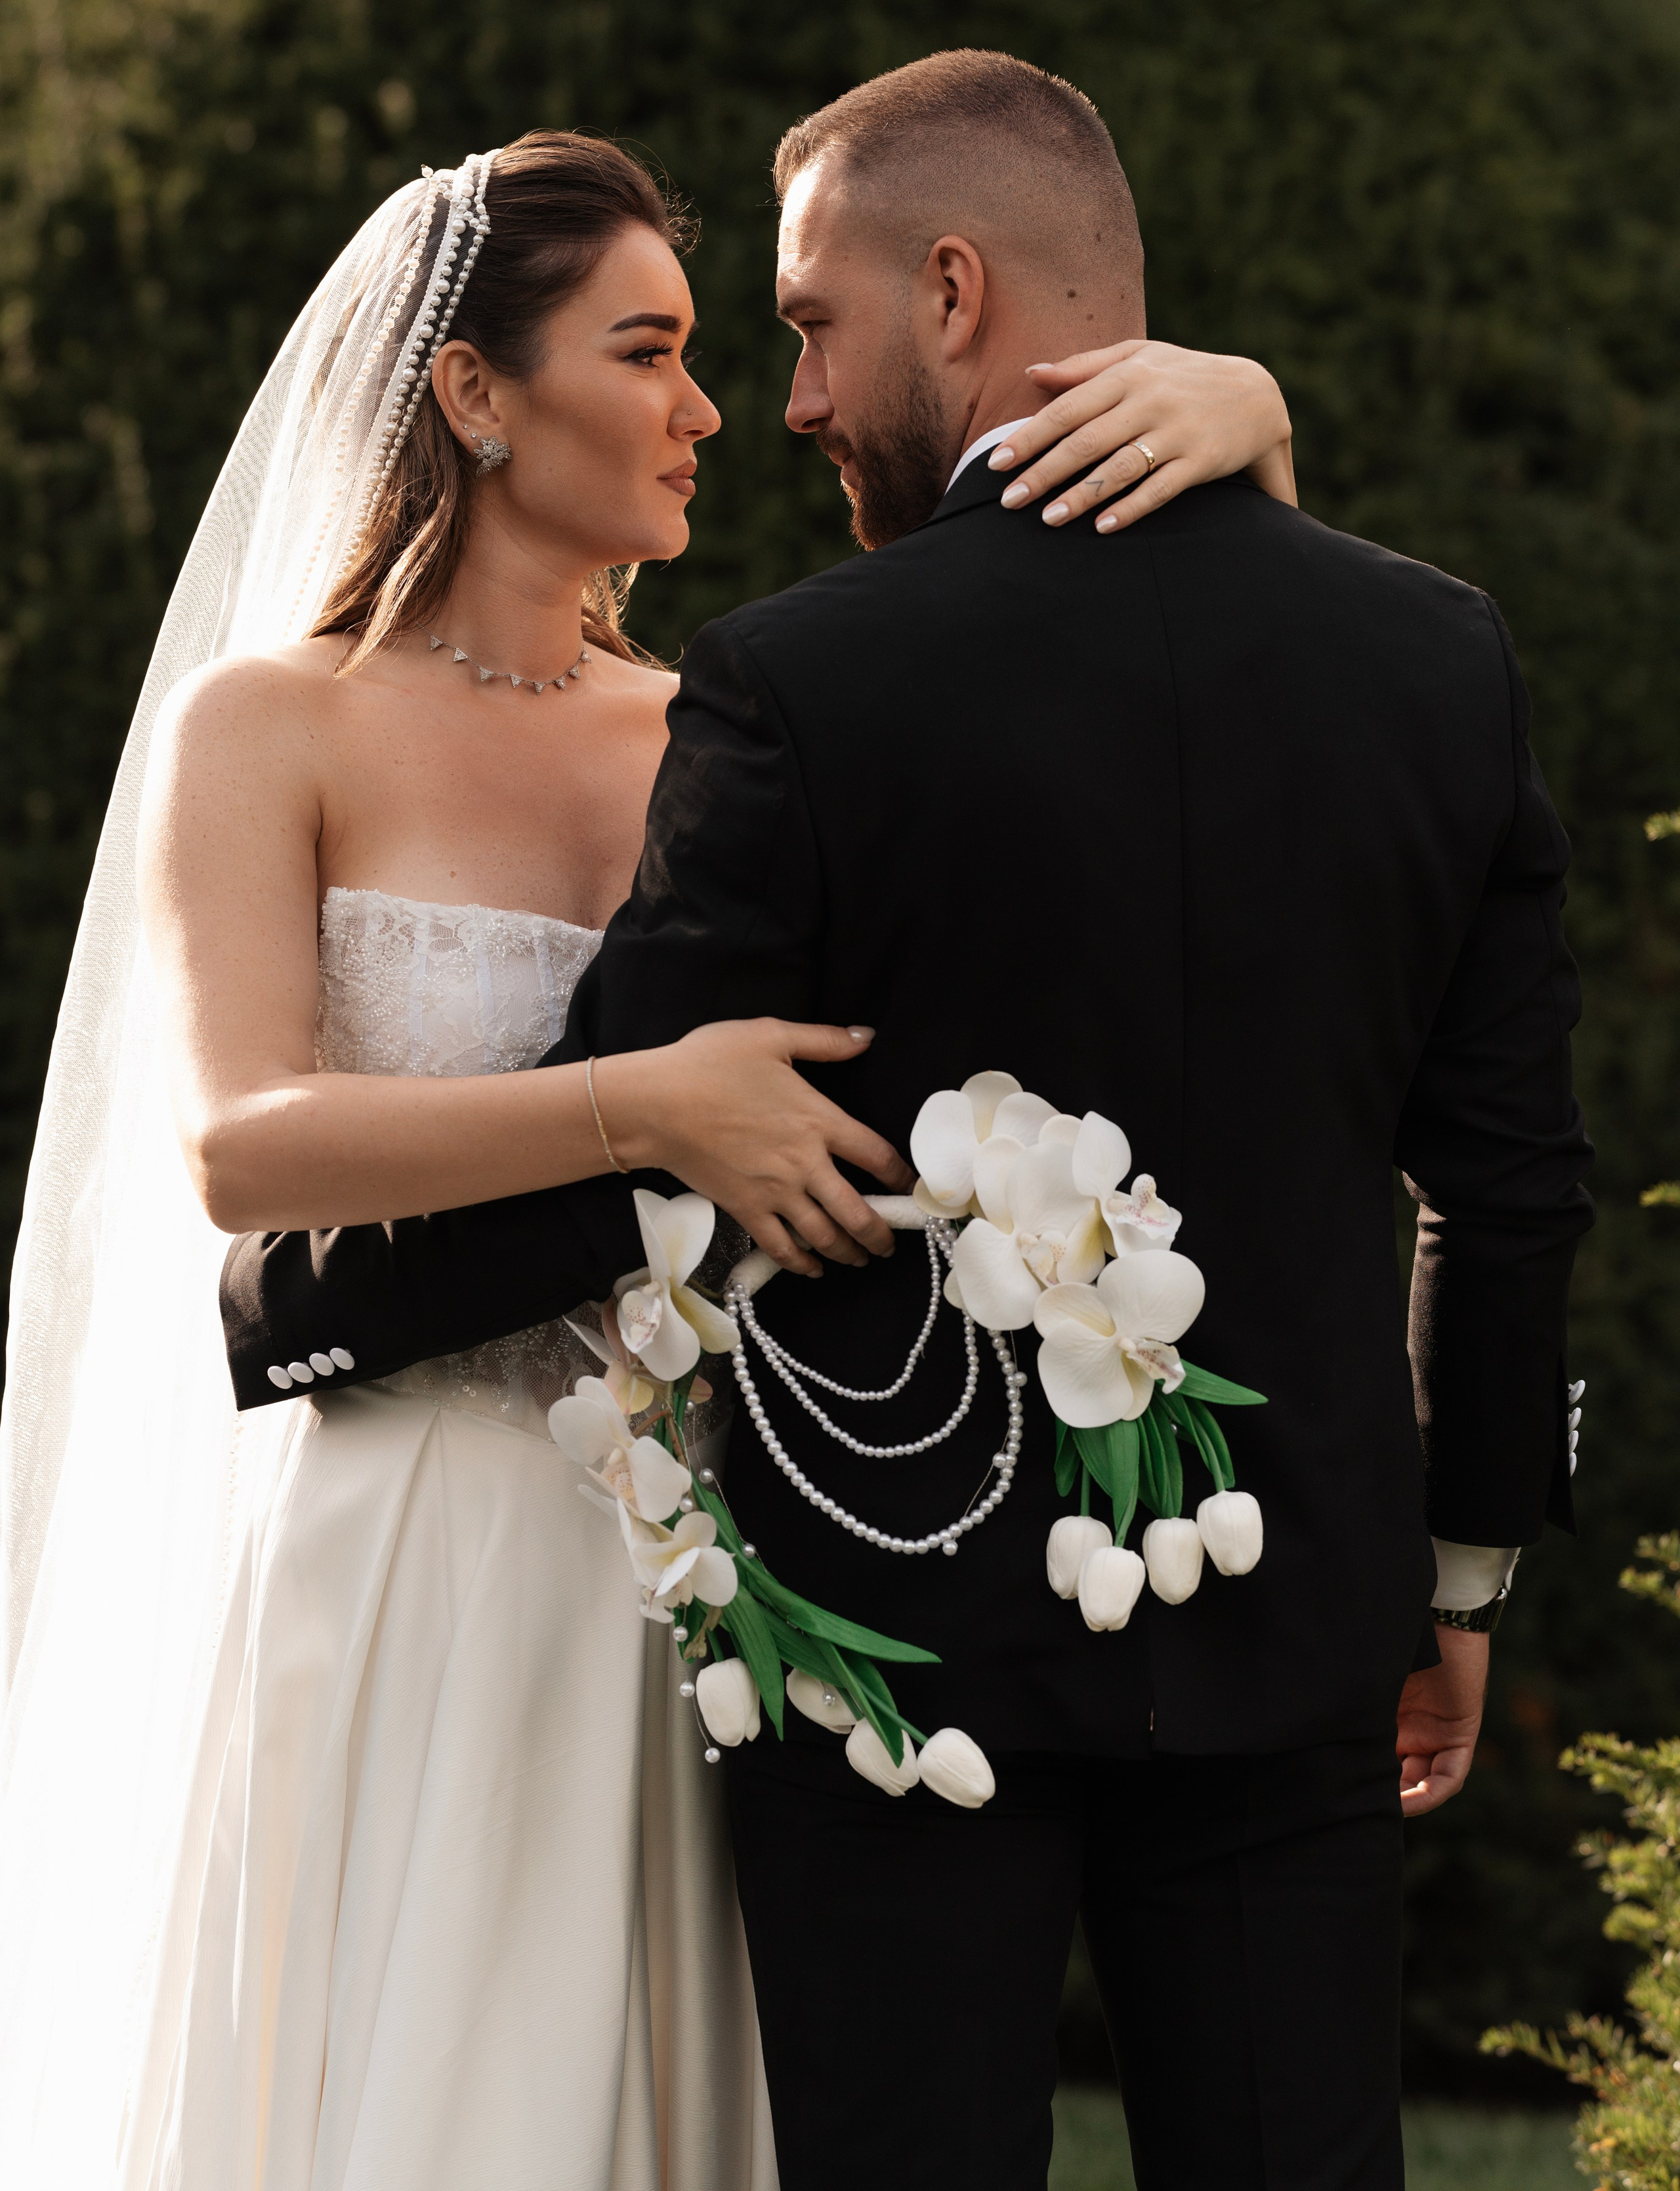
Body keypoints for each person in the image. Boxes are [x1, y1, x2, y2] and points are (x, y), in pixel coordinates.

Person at [223, 53, 1593, 2191]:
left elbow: (667, 1131)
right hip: (1296, 1618)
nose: (783, 400)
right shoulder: (1441, 662)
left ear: (953, 291)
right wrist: (1465, 1568)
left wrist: (291, 1306)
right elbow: (1508, 1192)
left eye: (806, 326)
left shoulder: (800, 682)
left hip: (896, 1652)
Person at [0, 123, 1290, 2190]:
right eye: (650, 349)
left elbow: (1106, 796)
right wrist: (644, 1107)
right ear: (475, 392)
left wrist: (1255, 428)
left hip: (703, 1586)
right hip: (407, 1547)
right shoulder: (274, 729)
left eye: (714, 350)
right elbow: (245, 1153)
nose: (715, 408)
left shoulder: (724, 726)